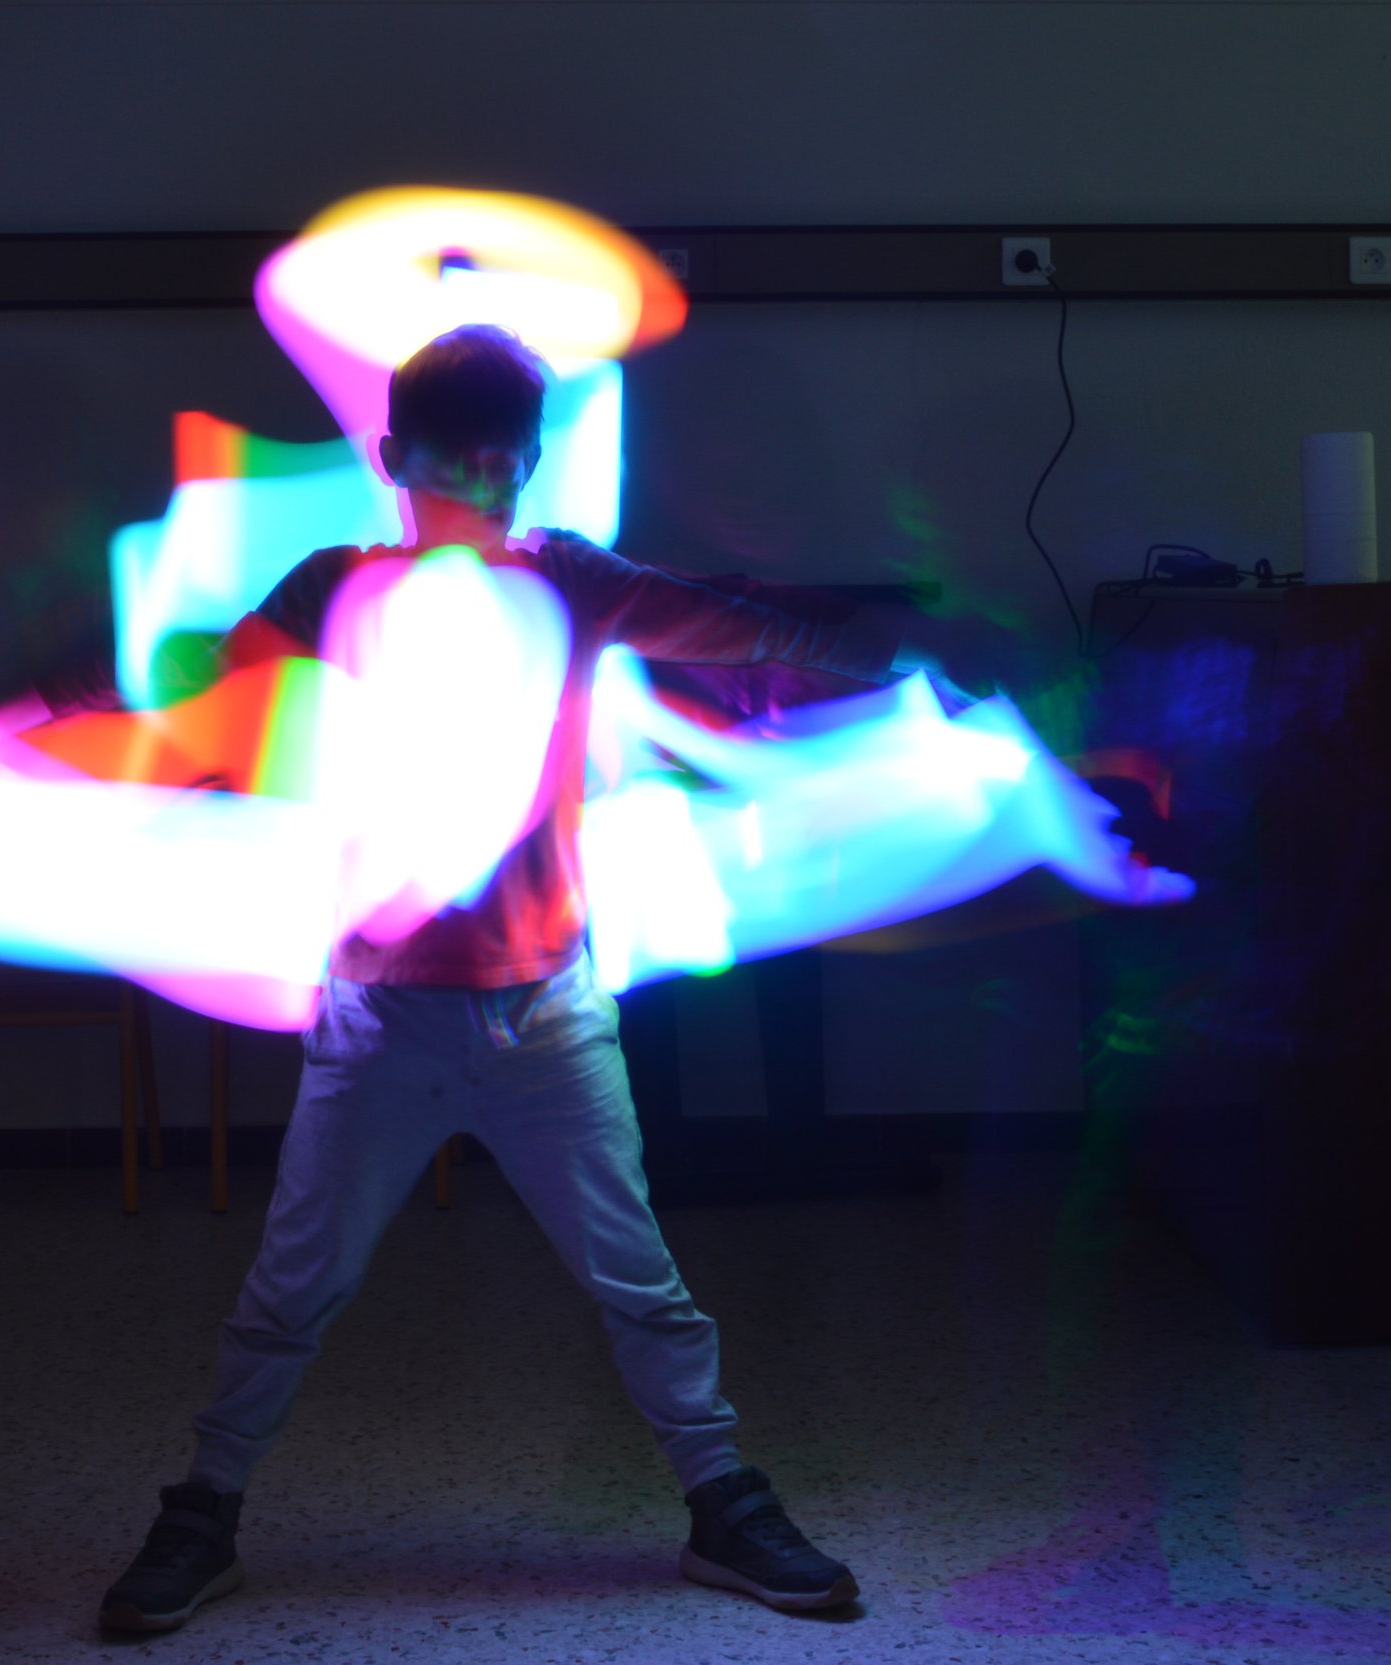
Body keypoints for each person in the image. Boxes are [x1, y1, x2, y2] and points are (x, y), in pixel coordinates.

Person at [97, 324, 907, 1633]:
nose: (484, 485)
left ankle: (723, 1503)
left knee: (639, 1282)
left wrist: (892, 665)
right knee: (291, 1290)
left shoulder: (568, 580)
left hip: (546, 1019)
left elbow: (735, 623)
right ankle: (205, 1510)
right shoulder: (332, 590)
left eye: (506, 462)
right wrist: (51, 752)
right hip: (380, 1022)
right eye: (456, 460)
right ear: (393, 459)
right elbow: (202, 709)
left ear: (529, 465)